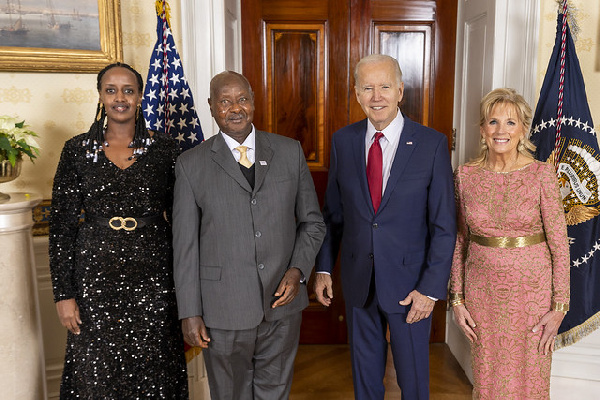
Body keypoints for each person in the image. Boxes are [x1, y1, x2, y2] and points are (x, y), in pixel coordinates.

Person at [172, 70, 326, 399]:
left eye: (242, 99)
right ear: (212, 107)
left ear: (253, 103)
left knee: (275, 393)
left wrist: (297, 271)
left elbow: (313, 222)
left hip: (282, 305)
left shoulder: (290, 151)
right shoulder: (190, 165)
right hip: (222, 310)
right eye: (225, 102)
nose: (235, 108)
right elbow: (184, 248)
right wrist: (190, 312)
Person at [314, 54, 457, 399]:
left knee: (413, 383)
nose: (376, 96)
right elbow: (332, 214)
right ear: (357, 94)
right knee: (364, 379)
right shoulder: (343, 141)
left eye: (385, 86)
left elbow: (444, 226)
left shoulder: (431, 144)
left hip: (411, 289)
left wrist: (430, 289)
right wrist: (323, 269)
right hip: (358, 280)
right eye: (367, 88)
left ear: (400, 91)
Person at [49, 62, 188, 398]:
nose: (120, 98)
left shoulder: (166, 150)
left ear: (140, 96)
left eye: (128, 90)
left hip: (154, 276)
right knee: (96, 372)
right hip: (94, 279)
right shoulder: (77, 150)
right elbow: (61, 227)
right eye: (111, 90)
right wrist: (63, 295)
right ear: (100, 95)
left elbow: (185, 220)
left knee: (155, 369)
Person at [450, 88, 570, 399]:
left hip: (533, 293)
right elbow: (459, 240)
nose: (501, 130)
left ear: (522, 131)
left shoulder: (542, 174)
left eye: (510, 123)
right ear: (482, 129)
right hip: (482, 293)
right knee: (488, 377)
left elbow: (559, 244)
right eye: (493, 122)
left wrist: (559, 306)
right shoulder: (464, 176)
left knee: (531, 376)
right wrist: (457, 299)